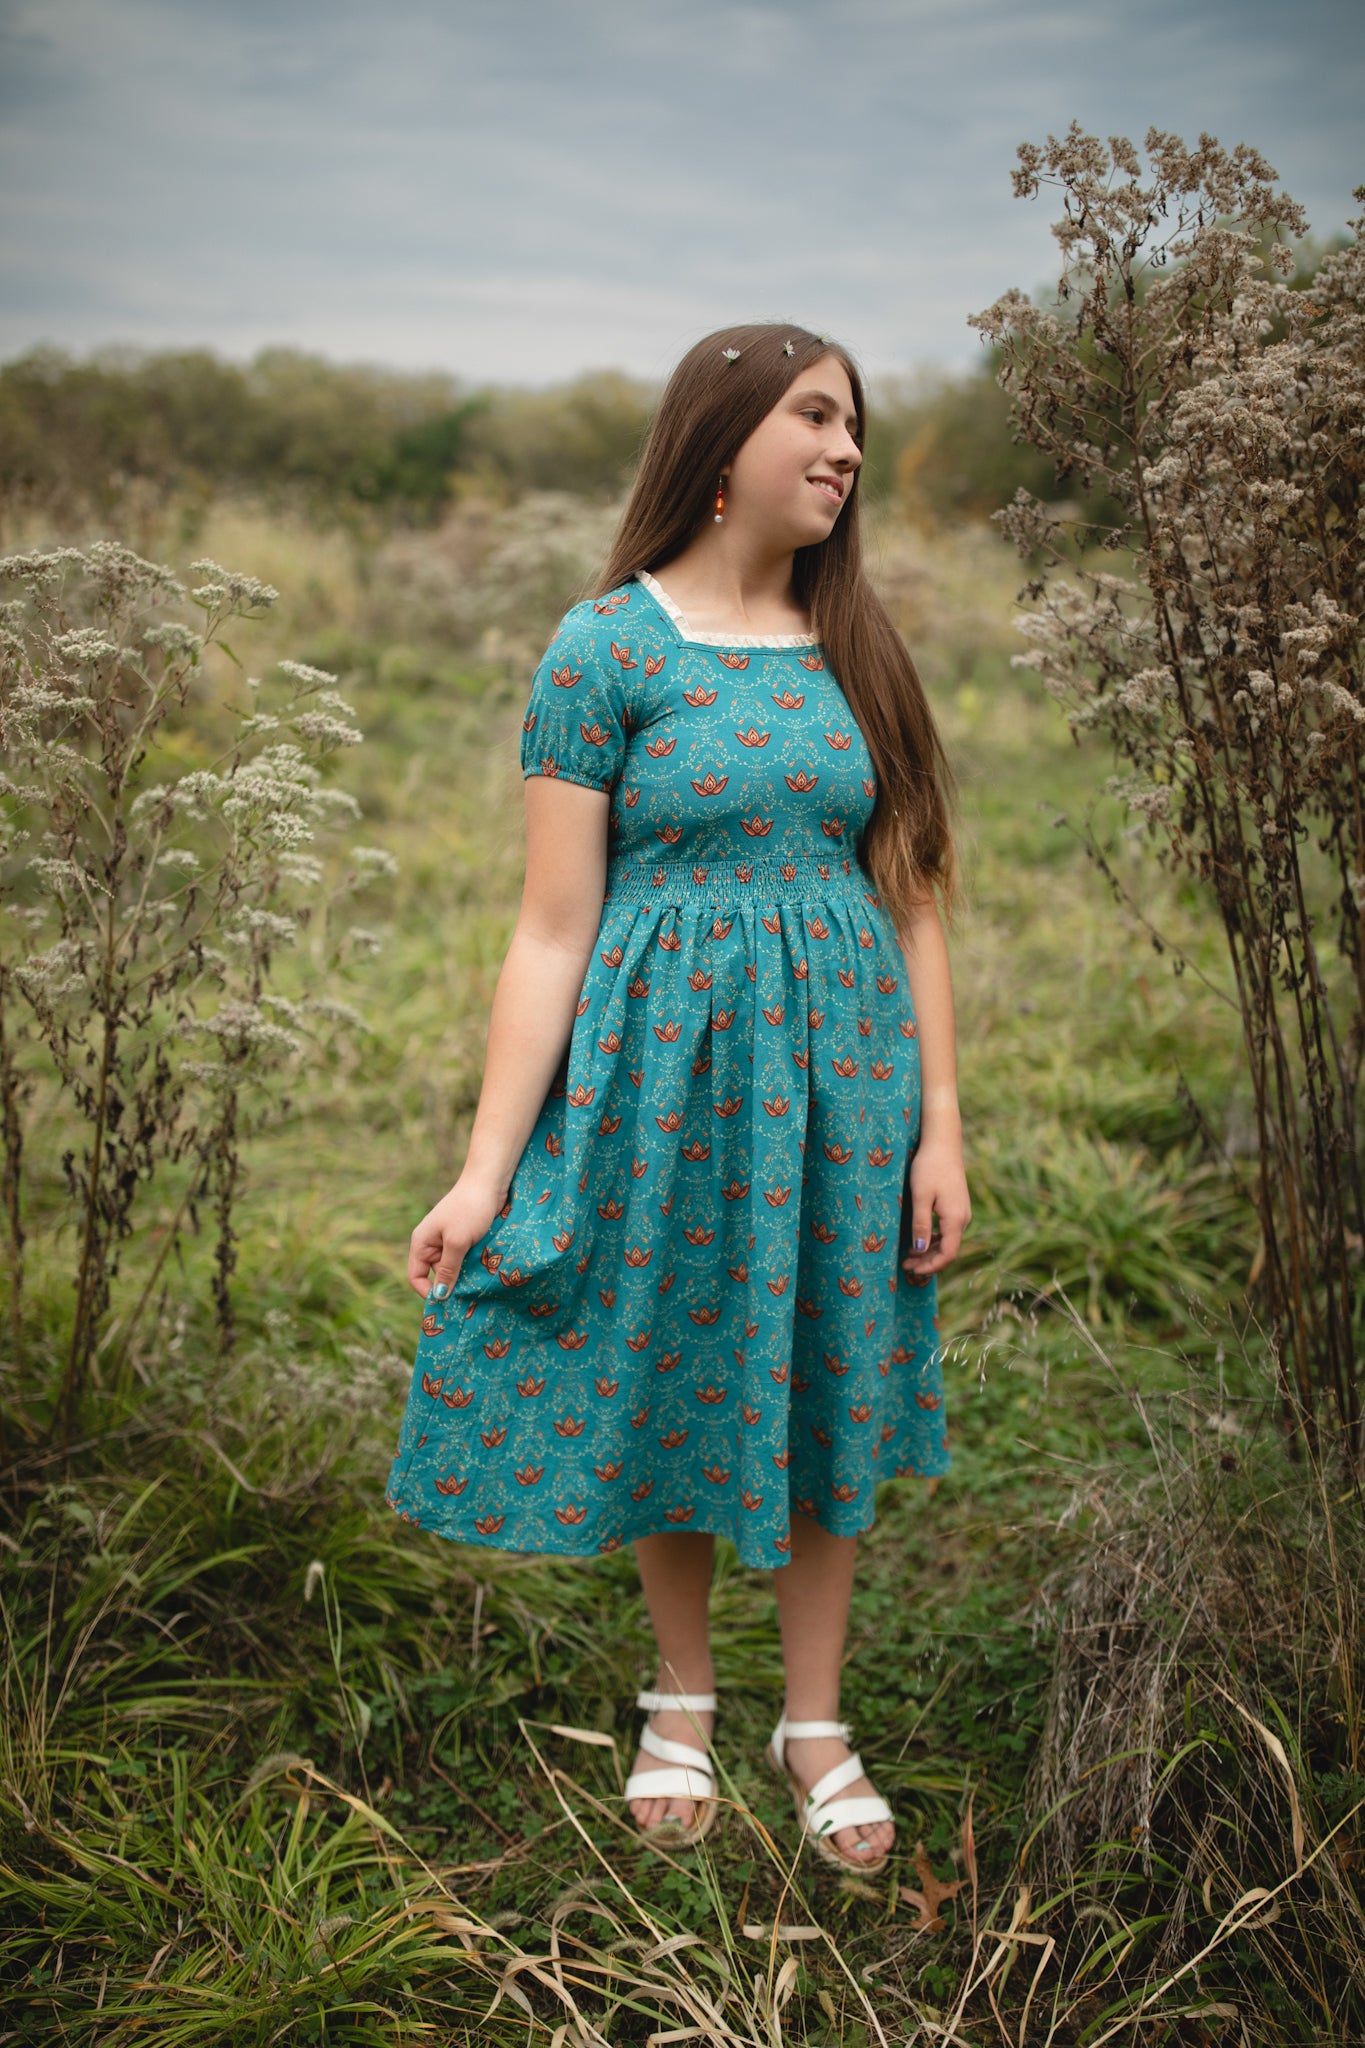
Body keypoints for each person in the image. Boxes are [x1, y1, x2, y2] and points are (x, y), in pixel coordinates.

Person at [386, 321, 971, 1873]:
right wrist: (483, 1168)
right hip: (663, 1084)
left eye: (855, 426)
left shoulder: (859, 648)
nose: (846, 451)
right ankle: (683, 1695)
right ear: (720, 439)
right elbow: (550, 925)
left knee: (826, 1361)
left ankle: (816, 1718)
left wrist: (941, 1128)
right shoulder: (605, 650)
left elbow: (911, 898)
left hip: (844, 1089)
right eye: (815, 417)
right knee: (678, 1358)